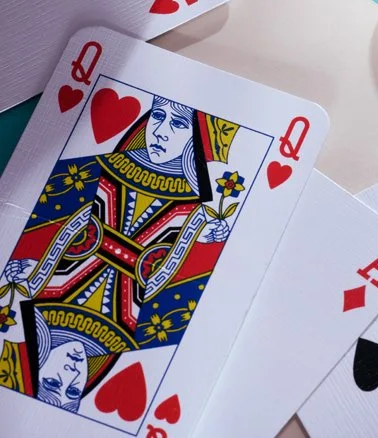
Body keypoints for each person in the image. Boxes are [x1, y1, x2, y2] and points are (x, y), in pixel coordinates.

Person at [0, 97, 240, 411]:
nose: (71, 374)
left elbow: (60, 227)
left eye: (52, 382)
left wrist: (32, 266)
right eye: (73, 391)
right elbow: (169, 282)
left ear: (36, 366)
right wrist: (204, 238)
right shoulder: (127, 339)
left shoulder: (35, 300)